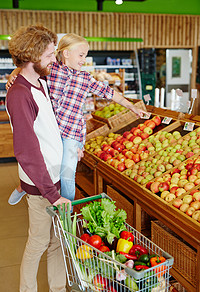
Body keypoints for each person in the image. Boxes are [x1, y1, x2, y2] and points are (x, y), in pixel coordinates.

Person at [7, 33, 148, 206]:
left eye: (85, 56)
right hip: (52, 132)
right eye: (81, 55)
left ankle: (66, 211)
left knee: (66, 175)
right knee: (42, 165)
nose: (84, 59)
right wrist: (15, 73)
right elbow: (29, 68)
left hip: (71, 135)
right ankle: (24, 187)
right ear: (66, 53)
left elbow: (109, 93)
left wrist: (131, 106)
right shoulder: (52, 70)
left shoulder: (85, 78)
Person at [6, 24, 71, 292]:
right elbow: (27, 151)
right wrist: (52, 194)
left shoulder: (41, 81)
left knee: (56, 241)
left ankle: (58, 288)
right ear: (32, 56)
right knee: (37, 243)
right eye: (48, 55)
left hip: (53, 177)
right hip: (40, 185)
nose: (53, 59)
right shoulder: (20, 95)